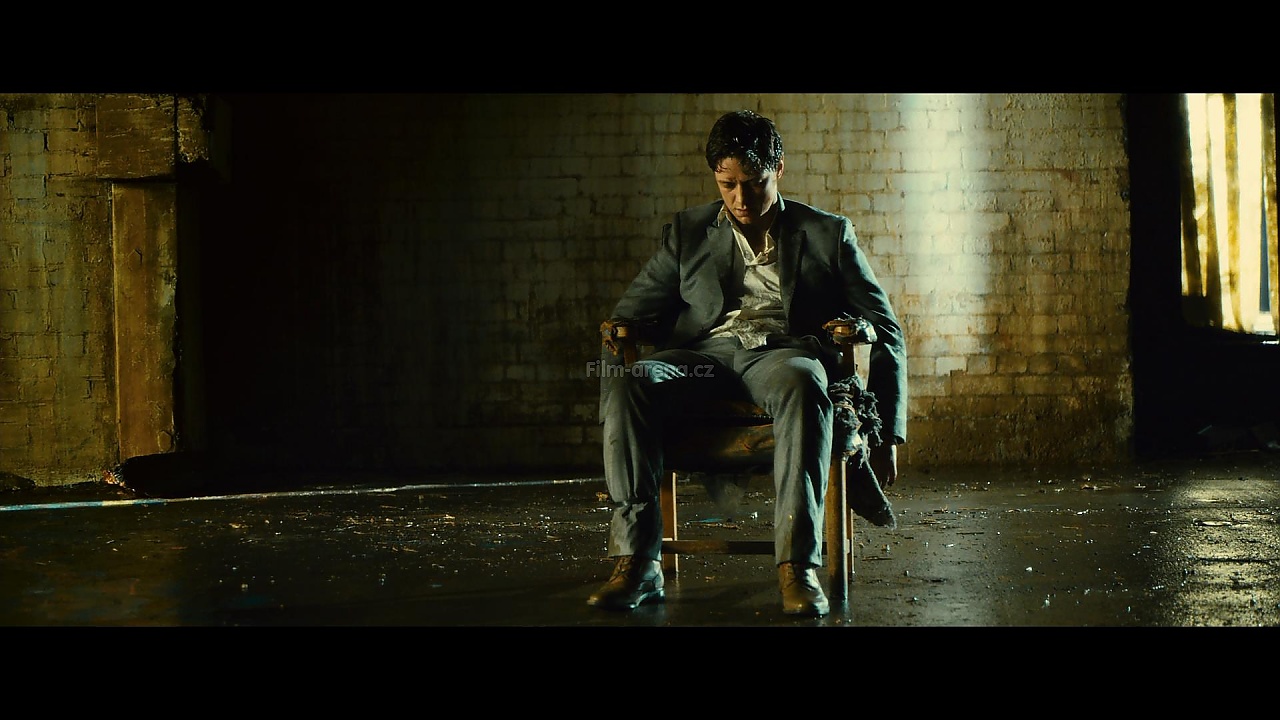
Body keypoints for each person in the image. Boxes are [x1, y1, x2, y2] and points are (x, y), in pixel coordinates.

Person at [589, 109, 908, 617]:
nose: (741, 199)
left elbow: (885, 327)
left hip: (783, 355)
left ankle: (798, 567)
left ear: (778, 169)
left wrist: (888, 431)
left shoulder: (827, 233)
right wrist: (622, 349)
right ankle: (637, 563)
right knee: (633, 382)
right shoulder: (689, 232)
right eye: (728, 184)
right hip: (704, 357)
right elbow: (629, 314)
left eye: (755, 182)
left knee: (805, 383)